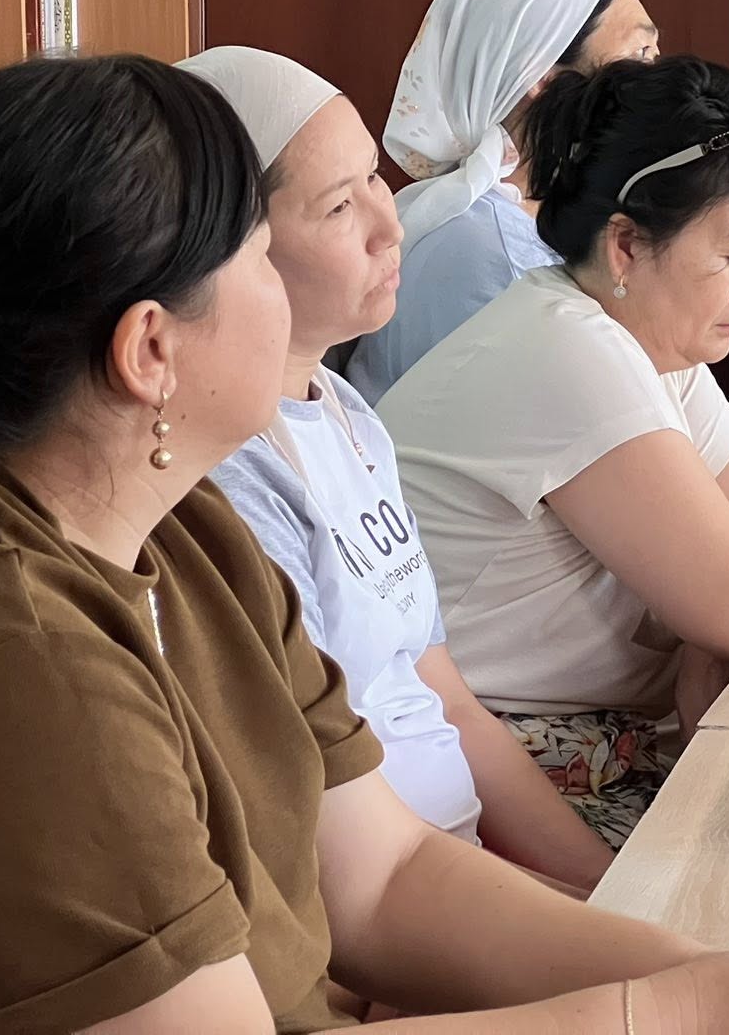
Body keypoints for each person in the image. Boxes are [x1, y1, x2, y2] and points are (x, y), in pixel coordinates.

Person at [0, 53, 729, 1033]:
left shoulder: (195, 534)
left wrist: (716, 968)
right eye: (256, 255)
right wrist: (678, 1009)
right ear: (151, 351)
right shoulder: (23, 660)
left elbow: (383, 879)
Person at [380, 55, 729, 846]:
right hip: (493, 772)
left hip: (603, 748)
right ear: (626, 245)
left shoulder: (648, 346)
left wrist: (713, 629)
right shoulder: (568, 351)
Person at [181, 46, 619, 892]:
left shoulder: (348, 415)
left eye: (375, 181)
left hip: (454, 874)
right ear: (232, 250)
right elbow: (346, 871)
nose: (392, 229)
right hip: (388, 905)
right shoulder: (225, 480)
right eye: (339, 206)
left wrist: (605, 893)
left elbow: (444, 700)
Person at [346, 0, 661, 403]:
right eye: (641, 53)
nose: (657, 80)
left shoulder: (528, 216)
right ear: (542, 76)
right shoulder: (491, 252)